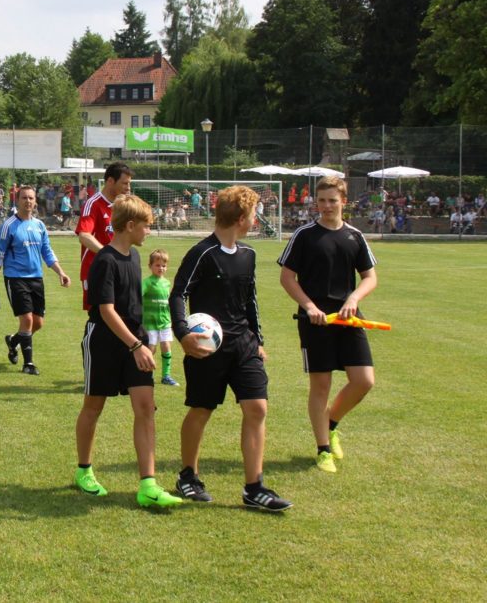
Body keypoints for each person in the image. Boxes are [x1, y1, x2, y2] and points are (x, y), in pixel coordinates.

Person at [169, 185, 292, 512]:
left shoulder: (248, 255)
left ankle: (254, 487)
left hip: (244, 345)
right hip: (206, 348)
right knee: (202, 409)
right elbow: (178, 295)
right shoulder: (202, 253)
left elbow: (250, 300)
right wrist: (183, 334)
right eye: (254, 215)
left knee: (257, 408)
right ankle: (188, 477)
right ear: (241, 218)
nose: (256, 220)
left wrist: (258, 340)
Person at [74, 195, 183, 508]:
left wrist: (142, 340)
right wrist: (135, 345)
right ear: (131, 225)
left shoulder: (135, 257)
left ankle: (148, 484)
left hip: (134, 341)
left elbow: (133, 306)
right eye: (147, 226)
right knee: (94, 406)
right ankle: (84, 471)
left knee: (146, 407)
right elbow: (106, 310)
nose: (150, 231)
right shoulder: (105, 260)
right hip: (104, 342)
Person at [278, 176, 378, 474]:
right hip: (314, 321)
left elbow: (370, 277)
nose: (326, 206)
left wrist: (353, 298)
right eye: (321, 200)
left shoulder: (355, 236)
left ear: (343, 201)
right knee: (321, 385)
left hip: (349, 318)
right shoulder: (305, 235)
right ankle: (323, 449)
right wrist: (310, 306)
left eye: (332, 200)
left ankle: (331, 423)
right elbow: (287, 278)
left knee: (364, 381)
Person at [0, 185, 71, 376]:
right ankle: (28, 363)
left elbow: (47, 252)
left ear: (35, 201)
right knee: (27, 319)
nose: (28, 201)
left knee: (38, 323)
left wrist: (61, 272)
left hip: (36, 278)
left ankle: (13, 340)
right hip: (15, 278)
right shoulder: (8, 226)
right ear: (18, 200)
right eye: (24, 198)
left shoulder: (39, 226)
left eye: (31, 198)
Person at [76, 162, 132, 311]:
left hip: (118, 269)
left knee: (121, 315)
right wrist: (109, 255)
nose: (128, 188)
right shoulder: (93, 204)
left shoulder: (123, 206)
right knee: (99, 317)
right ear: (110, 181)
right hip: (96, 270)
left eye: (129, 184)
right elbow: (84, 235)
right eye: (124, 183)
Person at [141, 249, 179, 386]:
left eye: (163, 265)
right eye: (157, 265)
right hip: (150, 322)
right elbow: (138, 296)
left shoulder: (167, 283)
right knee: (151, 347)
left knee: (166, 346)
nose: (161, 268)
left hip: (165, 321)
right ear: (150, 266)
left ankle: (166, 376)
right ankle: (147, 375)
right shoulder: (147, 282)